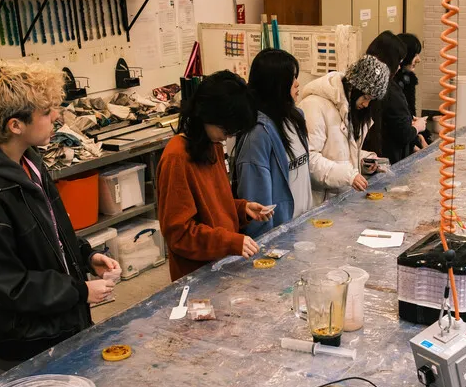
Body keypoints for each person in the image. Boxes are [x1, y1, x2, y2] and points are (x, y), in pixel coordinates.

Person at [0, 62, 120, 377]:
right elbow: (5, 286)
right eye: (46, 112)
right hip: (25, 345)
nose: (56, 116)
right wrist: (79, 292)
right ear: (15, 125)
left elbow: (52, 234)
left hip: (58, 324)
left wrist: (85, 255)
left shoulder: (30, 165)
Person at [156, 71, 273, 280]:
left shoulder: (213, 147)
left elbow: (212, 206)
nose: (228, 135)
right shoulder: (177, 158)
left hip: (222, 266)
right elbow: (179, 235)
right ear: (207, 114)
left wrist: (240, 208)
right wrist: (229, 242)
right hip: (197, 276)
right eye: (226, 128)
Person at [231, 49, 312, 238]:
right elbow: (257, 203)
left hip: (303, 226)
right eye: (292, 78)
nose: (297, 84)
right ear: (276, 85)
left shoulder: (296, 117)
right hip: (279, 237)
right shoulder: (258, 135)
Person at [298, 55, 389, 203]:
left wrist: (364, 162)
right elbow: (309, 159)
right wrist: (348, 176)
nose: (366, 104)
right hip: (317, 203)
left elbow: (339, 153)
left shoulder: (349, 109)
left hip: (339, 199)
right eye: (365, 97)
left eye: (371, 100)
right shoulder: (313, 106)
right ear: (353, 87)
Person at [362, 31, 425, 164]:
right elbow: (402, 133)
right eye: (398, 62)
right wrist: (417, 127)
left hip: (373, 156)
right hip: (385, 157)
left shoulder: (369, 81)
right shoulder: (388, 89)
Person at [395, 32, 432, 148]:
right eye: (415, 55)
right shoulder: (393, 86)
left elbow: (409, 111)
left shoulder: (408, 79)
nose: (418, 60)